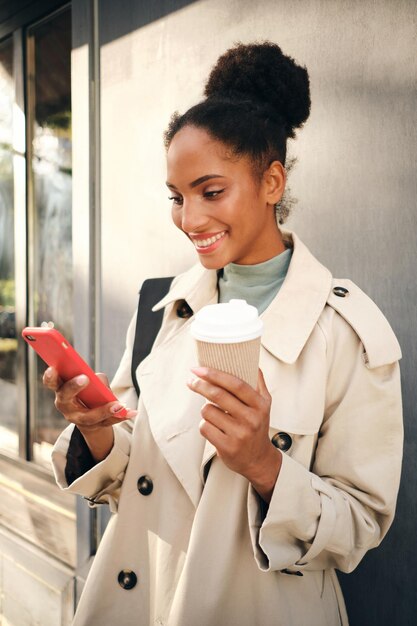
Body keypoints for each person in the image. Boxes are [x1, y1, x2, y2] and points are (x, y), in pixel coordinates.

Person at [45, 42, 403, 626]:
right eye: (177, 197)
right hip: (143, 599)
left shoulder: (347, 332)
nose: (190, 220)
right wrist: (95, 430)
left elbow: (360, 525)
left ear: (271, 182)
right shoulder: (162, 306)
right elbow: (133, 476)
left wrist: (265, 464)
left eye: (211, 192)